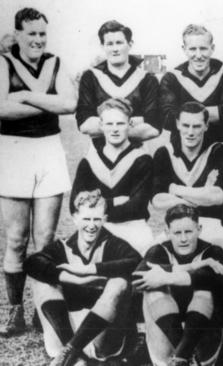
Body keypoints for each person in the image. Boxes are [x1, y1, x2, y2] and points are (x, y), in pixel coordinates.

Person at [0, 7, 77, 336]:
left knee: (44, 240)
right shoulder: (3, 62)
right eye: (31, 34)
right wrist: (48, 100)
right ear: (17, 34)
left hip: (49, 149)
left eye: (42, 34)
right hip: (14, 150)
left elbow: (69, 105)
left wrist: (27, 96)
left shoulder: (55, 62)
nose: (38, 40)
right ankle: (15, 311)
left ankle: (43, 309)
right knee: (16, 240)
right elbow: (2, 108)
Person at [24, 190, 141, 365]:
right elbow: (31, 263)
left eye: (97, 219)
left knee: (119, 283)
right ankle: (74, 355)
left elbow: (136, 261)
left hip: (101, 334)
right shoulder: (63, 246)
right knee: (41, 281)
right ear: (75, 218)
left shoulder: (113, 244)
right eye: (86, 219)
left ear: (105, 219)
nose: (92, 225)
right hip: (66, 329)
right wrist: (73, 279)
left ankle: (71, 351)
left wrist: (89, 270)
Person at [134, 204, 223, 366]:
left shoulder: (213, 251)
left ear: (199, 229)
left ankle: (182, 355)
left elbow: (215, 279)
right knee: (154, 292)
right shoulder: (158, 250)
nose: (183, 239)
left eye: (188, 232)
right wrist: (194, 267)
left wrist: (166, 277)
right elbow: (137, 280)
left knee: (204, 291)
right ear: (167, 232)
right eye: (177, 233)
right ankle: (183, 356)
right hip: (168, 334)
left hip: (205, 336)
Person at [71, 98, 154, 256]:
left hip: (133, 229)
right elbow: (74, 206)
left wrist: (99, 203)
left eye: (120, 124)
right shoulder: (88, 162)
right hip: (96, 228)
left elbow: (136, 207)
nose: (114, 129)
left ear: (130, 124)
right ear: (101, 126)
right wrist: (117, 200)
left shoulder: (143, 160)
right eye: (109, 124)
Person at [152, 101, 223, 262]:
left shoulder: (218, 150)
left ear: (206, 126)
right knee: (153, 255)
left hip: (210, 224)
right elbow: (157, 200)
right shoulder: (164, 152)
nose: (190, 132)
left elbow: (218, 197)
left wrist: (175, 189)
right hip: (175, 227)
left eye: (196, 126)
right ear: (177, 124)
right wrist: (201, 197)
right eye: (186, 125)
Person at [76, 20, 160, 141]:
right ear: (102, 46)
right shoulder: (90, 77)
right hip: (99, 154)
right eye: (109, 44)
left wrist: (105, 124)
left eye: (119, 43)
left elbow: (153, 127)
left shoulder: (147, 79)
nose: (115, 49)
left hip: (136, 153)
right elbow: (84, 124)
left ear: (130, 44)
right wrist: (134, 122)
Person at [160, 24, 223, 145]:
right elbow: (167, 118)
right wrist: (213, 113)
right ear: (184, 49)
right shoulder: (172, 78)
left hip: (216, 149)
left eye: (203, 48)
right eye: (192, 49)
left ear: (212, 48)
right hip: (180, 151)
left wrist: (184, 116)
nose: (198, 55)